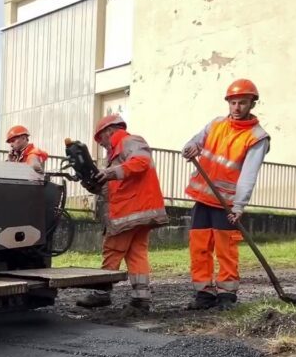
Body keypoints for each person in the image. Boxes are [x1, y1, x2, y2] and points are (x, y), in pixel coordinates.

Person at [182, 78, 270, 310]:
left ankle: (226, 295)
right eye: (233, 103)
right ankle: (204, 294)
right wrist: (191, 147)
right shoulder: (216, 124)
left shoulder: (257, 137)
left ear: (252, 104)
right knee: (199, 247)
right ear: (228, 103)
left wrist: (239, 206)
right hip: (203, 199)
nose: (237, 108)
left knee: (225, 249)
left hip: (226, 205)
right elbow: (195, 141)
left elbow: (248, 175)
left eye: (243, 102)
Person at [76, 114, 169, 312]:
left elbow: (141, 163)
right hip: (140, 211)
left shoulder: (130, 141)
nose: (101, 145)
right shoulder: (118, 155)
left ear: (108, 131)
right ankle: (141, 298)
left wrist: (108, 173)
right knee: (136, 253)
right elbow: (115, 186)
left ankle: (102, 293)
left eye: (100, 140)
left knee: (113, 249)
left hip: (129, 211)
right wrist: (93, 184)